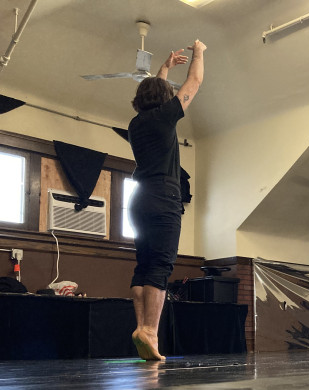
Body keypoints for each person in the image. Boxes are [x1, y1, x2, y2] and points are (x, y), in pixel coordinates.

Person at [128, 40, 206, 361]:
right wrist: (199, 52)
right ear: (163, 99)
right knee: (161, 266)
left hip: (139, 200)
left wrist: (164, 67)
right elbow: (195, 82)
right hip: (164, 197)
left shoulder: (136, 125)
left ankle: (141, 330)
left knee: (143, 266)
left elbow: (156, 92)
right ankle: (149, 331)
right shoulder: (165, 118)